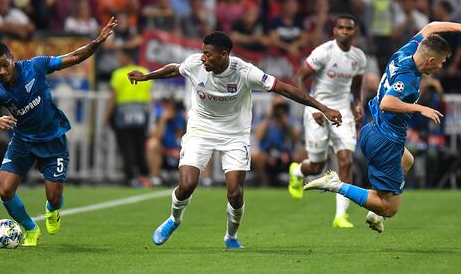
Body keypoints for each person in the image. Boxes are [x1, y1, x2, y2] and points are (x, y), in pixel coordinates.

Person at [127, 31, 342, 249]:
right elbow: (174, 68)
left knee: (235, 193)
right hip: (201, 129)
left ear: (223, 55)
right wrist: (147, 76)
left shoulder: (245, 72)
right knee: (187, 184)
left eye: (208, 55)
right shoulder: (195, 64)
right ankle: (174, 219)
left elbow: (285, 89)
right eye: (202, 53)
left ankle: (231, 236)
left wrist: (323, 108)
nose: (203, 58)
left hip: (235, 134)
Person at [304, 21, 461, 233]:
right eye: (440, 63)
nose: (440, 67)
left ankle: (373, 211)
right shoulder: (409, 77)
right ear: (430, 60)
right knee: (389, 208)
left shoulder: (408, 50)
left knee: (407, 160)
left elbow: (432, 26)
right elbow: (387, 103)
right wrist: (420, 109)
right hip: (385, 141)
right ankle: (335, 184)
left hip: (373, 130)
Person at [0, 17, 117, 246]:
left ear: (12, 58)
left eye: (5, 64)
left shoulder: (34, 66)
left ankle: (52, 209)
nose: (2, 71)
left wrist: (97, 41)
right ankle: (30, 229)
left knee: (53, 197)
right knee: (5, 191)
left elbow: (74, 57)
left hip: (52, 139)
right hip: (22, 140)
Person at [288, 14, 367, 229]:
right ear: (334, 31)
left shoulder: (359, 57)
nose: (344, 32)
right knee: (317, 166)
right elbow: (298, 78)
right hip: (317, 109)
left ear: (354, 32)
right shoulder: (323, 52)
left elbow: (357, 85)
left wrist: (358, 104)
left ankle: (341, 215)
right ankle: (296, 172)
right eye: (340, 28)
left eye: (348, 29)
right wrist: (311, 107)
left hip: (342, 112)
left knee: (345, 160)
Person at [103, 50, 152, 187]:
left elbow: (113, 97)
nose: (119, 58)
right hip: (141, 115)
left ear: (127, 57)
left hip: (123, 115)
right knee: (140, 146)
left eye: (120, 55)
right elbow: (149, 98)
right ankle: (144, 175)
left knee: (127, 147)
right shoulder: (144, 71)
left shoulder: (119, 74)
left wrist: (106, 117)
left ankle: (130, 177)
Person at [252, 96, 300, 186]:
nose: (279, 109)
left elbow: (296, 138)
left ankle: (297, 182)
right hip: (267, 156)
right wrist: (269, 117)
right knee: (256, 155)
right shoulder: (265, 119)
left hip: (286, 155)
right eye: (277, 106)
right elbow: (258, 136)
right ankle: (265, 182)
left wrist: (286, 123)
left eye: (281, 105)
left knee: (302, 154)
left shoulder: (289, 119)